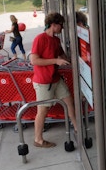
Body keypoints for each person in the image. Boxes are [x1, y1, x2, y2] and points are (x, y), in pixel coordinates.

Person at [30, 12, 77, 148]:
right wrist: (55, 61)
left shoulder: (56, 40)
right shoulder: (40, 39)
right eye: (61, 25)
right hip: (43, 81)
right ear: (53, 25)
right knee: (43, 111)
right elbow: (34, 60)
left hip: (56, 79)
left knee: (69, 101)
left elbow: (62, 55)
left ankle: (76, 127)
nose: (62, 28)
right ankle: (38, 139)